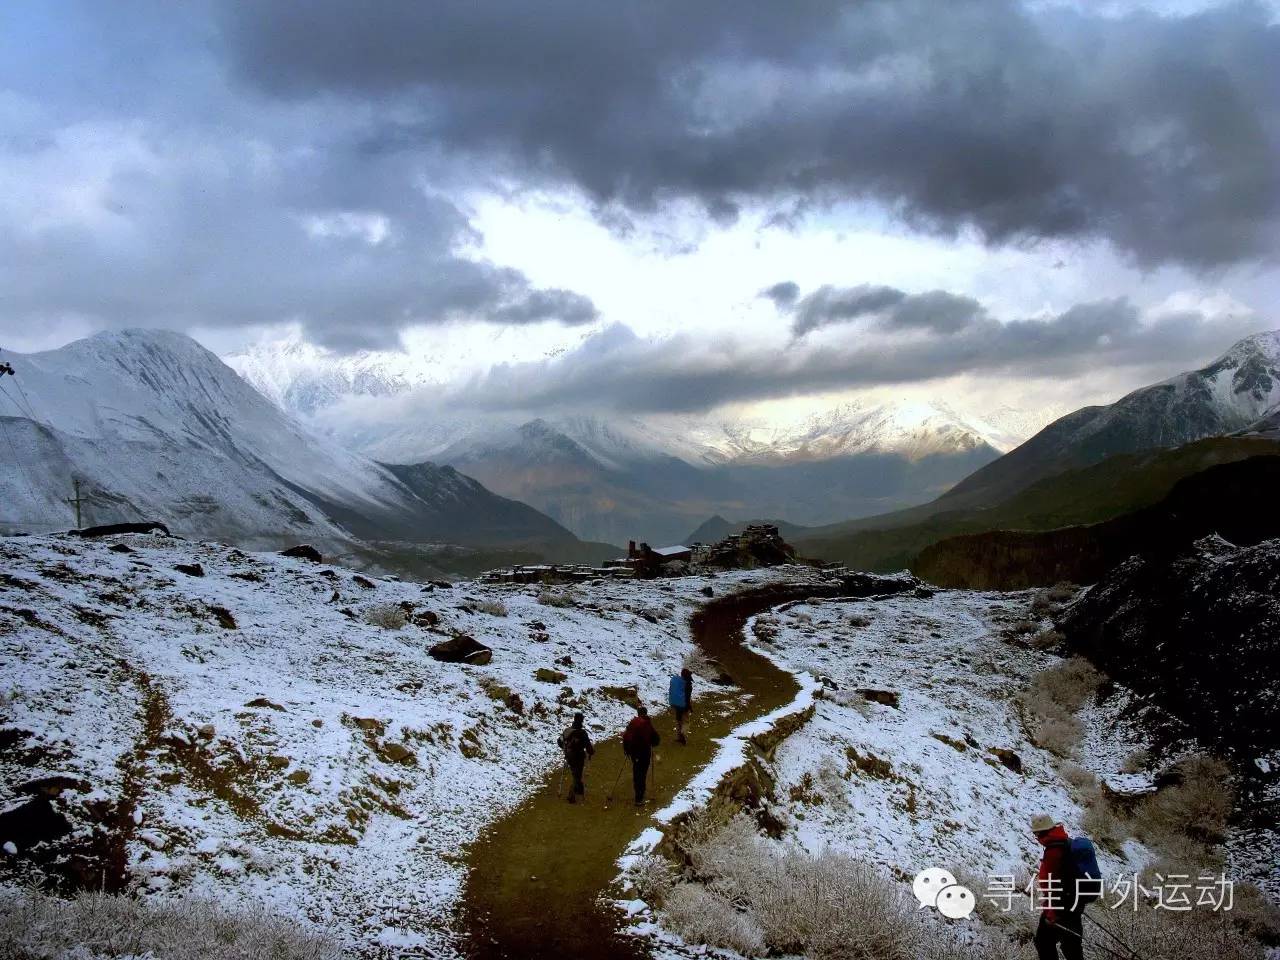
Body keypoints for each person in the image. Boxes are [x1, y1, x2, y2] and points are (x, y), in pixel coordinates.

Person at [1031, 814, 1084, 960]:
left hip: (1059, 908)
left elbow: (1052, 883)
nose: (1036, 837)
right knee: (1072, 949)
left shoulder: (1054, 851)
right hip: (1073, 904)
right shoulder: (1065, 842)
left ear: (1042, 832)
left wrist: (1052, 913)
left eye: (1036, 833)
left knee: (1044, 943)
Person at [622, 704, 661, 807]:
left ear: (638, 713)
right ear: (646, 713)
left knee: (636, 772)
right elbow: (656, 740)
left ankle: (638, 796)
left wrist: (627, 750)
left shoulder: (633, 723)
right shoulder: (647, 724)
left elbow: (626, 736)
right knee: (642, 774)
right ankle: (639, 797)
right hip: (644, 752)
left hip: (634, 753)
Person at [557, 712, 594, 803]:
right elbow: (588, 747)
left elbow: (559, 741)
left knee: (575, 772)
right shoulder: (582, 733)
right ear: (582, 720)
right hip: (579, 756)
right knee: (577, 774)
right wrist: (591, 752)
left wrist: (565, 748)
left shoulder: (567, 731)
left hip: (569, 755)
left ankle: (579, 789)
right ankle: (572, 794)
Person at [669, 668, 694, 744]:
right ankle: (683, 733)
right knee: (686, 721)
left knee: (678, 720)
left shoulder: (677, 681)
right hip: (683, 705)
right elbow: (687, 697)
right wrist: (689, 707)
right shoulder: (688, 684)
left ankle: (679, 737)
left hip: (675, 704)